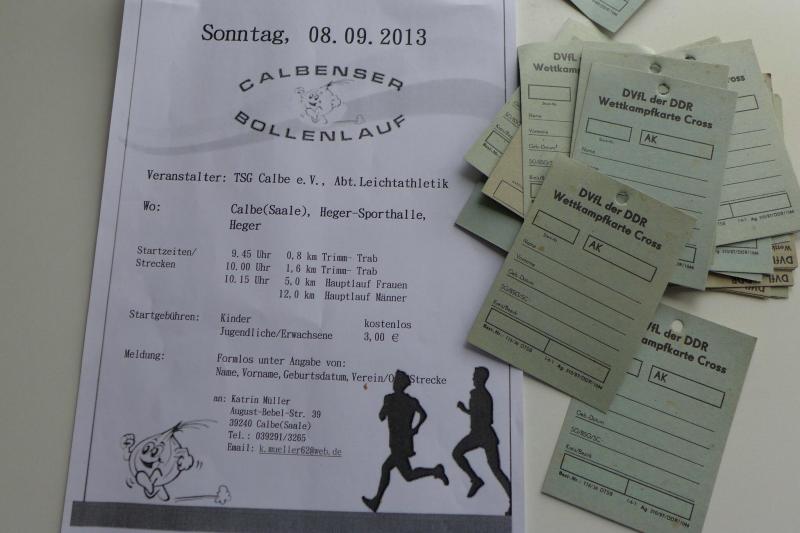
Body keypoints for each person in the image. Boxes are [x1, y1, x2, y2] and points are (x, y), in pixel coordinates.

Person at [362, 370, 449, 512]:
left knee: (405, 474)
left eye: (395, 381)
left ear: (398, 384)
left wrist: (388, 407)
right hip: (405, 440)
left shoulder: (390, 399)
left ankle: (436, 471)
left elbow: (381, 416)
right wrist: (415, 428)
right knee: (391, 469)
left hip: (397, 442)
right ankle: (376, 501)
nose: (393, 383)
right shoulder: (410, 401)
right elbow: (423, 414)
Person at [452, 366, 511, 514]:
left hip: (484, 435)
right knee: (457, 453)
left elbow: (488, 418)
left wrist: (474, 417)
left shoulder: (484, 395)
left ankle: (513, 500)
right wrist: (465, 410)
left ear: (480, 378)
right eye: (473, 376)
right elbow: (476, 413)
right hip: (478, 434)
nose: (473, 378)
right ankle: (475, 479)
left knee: (496, 469)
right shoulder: (477, 394)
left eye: (475, 376)